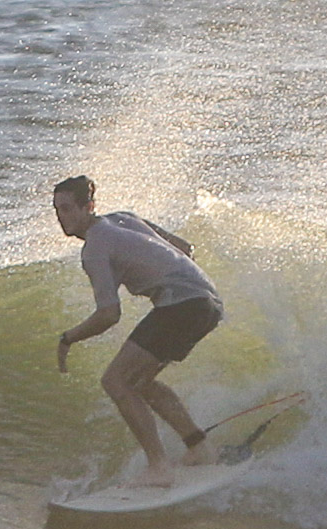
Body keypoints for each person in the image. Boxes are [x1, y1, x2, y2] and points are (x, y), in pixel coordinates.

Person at [52, 175, 224, 487]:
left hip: (182, 305)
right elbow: (185, 248)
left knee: (115, 381)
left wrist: (69, 338)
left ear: (88, 207)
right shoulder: (124, 219)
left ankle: (159, 467)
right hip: (208, 301)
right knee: (140, 381)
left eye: (67, 209)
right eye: (57, 210)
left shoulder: (94, 248)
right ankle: (199, 447)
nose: (61, 217)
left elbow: (109, 314)